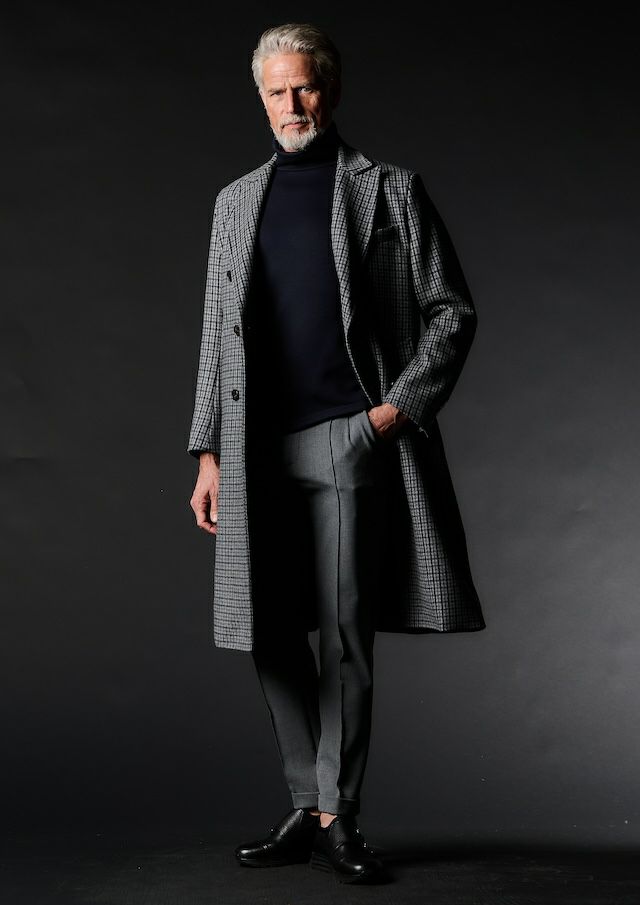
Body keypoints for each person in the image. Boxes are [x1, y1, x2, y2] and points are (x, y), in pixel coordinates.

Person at [187, 22, 486, 884]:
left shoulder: (389, 189)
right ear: (260, 98)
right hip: (252, 446)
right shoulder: (234, 202)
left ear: (331, 89)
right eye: (276, 91)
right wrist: (206, 452)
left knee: (346, 633)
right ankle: (304, 801)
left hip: (348, 438)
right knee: (269, 626)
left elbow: (451, 312)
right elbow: (215, 334)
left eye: (305, 87)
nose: (293, 104)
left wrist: (390, 414)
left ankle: (337, 812)